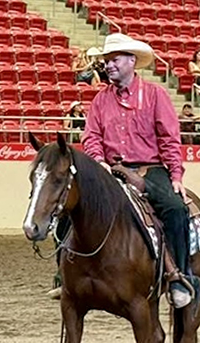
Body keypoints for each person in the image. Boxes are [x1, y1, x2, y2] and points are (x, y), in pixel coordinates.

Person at [80, 33, 193, 309]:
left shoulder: (155, 95)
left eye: (115, 60)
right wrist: (98, 160)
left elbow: (169, 138)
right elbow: (91, 136)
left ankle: (177, 276)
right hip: (110, 169)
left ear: (132, 61)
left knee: (176, 209)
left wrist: (175, 176)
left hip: (149, 170)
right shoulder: (99, 101)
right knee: (72, 206)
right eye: (107, 61)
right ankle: (66, 275)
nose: (109, 65)